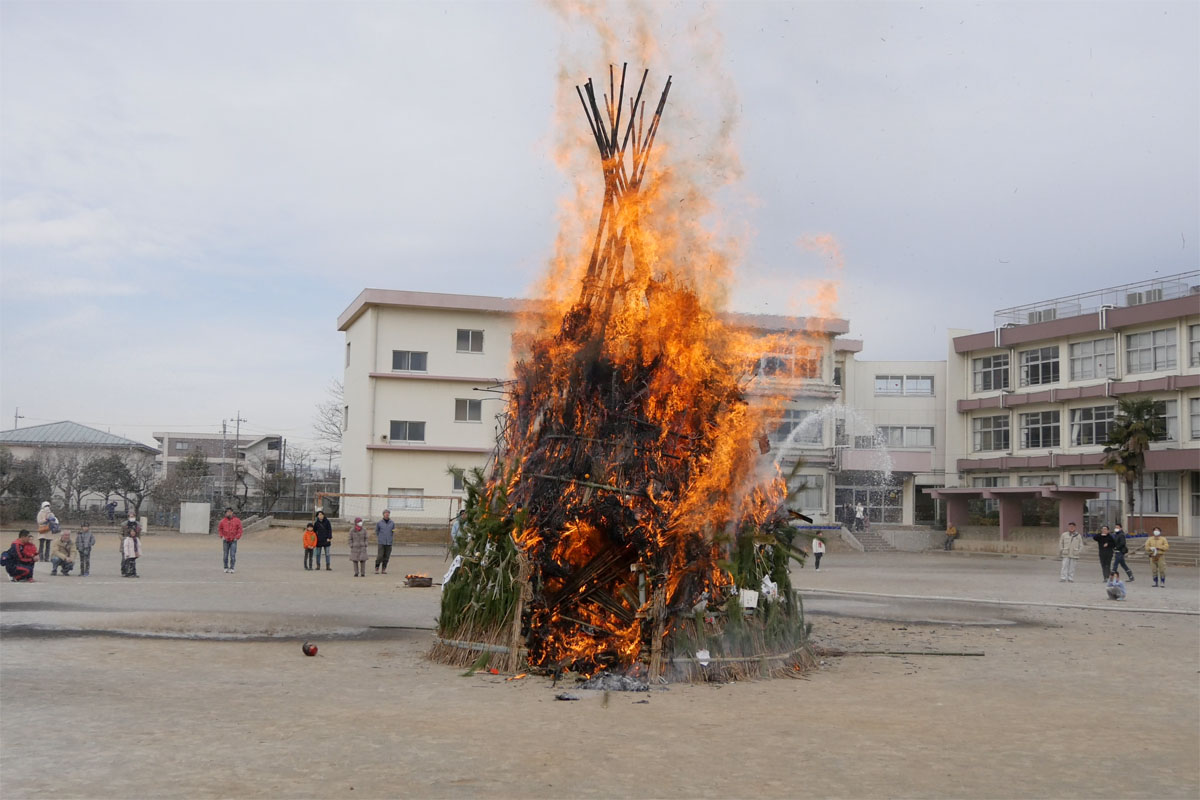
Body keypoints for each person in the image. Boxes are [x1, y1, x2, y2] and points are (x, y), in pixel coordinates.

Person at [218, 508, 243, 574]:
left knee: (232, 555)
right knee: (225, 555)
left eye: (230, 512)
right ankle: (225, 567)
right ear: (225, 513)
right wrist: (222, 536)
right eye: (227, 512)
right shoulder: (222, 521)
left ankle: (232, 568)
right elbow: (220, 529)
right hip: (225, 540)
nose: (228, 513)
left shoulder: (237, 520)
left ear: (232, 512)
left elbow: (240, 530)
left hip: (233, 540)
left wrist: (237, 537)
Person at [374, 509, 395, 575]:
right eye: (385, 514)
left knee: (386, 557)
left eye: (388, 514)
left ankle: (384, 569)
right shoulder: (379, 523)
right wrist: (380, 537)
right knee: (380, 556)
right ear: (383, 514)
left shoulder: (392, 523)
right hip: (381, 542)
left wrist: (391, 537)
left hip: (389, 542)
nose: (387, 515)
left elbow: (393, 531)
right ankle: (377, 567)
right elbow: (377, 531)